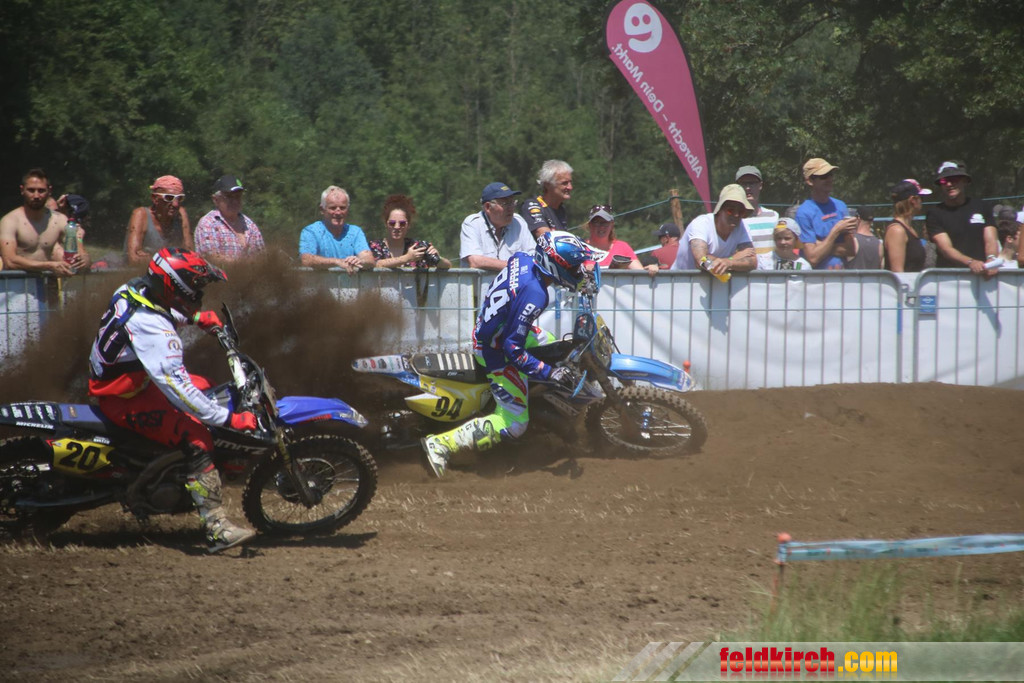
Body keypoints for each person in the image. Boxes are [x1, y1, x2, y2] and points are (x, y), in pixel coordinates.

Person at [87, 247, 258, 552]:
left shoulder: (133, 289)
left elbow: (160, 310)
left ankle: (172, 467)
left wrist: (193, 317)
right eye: (195, 286)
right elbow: (181, 393)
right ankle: (216, 528)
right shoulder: (155, 330)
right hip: (124, 398)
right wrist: (230, 420)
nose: (198, 292)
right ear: (175, 286)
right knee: (199, 437)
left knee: (205, 386)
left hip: (132, 384)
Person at [421, 231, 596, 477]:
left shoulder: (523, 259)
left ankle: (538, 402)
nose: (577, 272)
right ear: (555, 265)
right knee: (515, 423)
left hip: (495, 330)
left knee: (554, 346)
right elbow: (512, 348)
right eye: (573, 267)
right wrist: (548, 373)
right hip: (494, 351)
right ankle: (441, 444)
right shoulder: (536, 294)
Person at [0, 168, 89, 275]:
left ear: (49, 191)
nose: (36, 196)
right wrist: (49, 266)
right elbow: (10, 261)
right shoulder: (10, 221)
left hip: (46, 282)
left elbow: (80, 252)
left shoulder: (60, 220)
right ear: (22, 190)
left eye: (41, 191)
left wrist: (84, 259)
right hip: (18, 283)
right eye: (31, 190)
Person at [925, 161, 999, 275]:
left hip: (984, 276)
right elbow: (946, 249)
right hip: (949, 278)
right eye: (944, 181)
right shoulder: (934, 213)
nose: (949, 184)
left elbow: (991, 240)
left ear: (964, 181)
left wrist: (992, 259)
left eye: (954, 179)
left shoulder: (982, 206)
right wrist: (970, 262)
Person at [672, 184, 758, 277]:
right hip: (680, 282)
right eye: (730, 210)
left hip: (715, 281)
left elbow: (753, 262)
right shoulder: (701, 224)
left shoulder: (742, 226)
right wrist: (732, 259)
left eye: (740, 211)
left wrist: (729, 262)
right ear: (720, 210)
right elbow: (701, 261)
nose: (736, 215)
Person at [795, 158, 857, 269]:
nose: (829, 179)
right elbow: (813, 258)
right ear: (810, 181)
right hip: (817, 278)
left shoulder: (840, 206)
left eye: (831, 175)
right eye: (823, 176)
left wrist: (821, 245)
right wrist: (836, 231)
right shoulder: (804, 213)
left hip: (841, 276)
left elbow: (851, 250)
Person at [459, 182, 536, 270]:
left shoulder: (519, 222)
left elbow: (534, 257)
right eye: (505, 204)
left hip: (513, 279)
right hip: (481, 280)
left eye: (512, 202)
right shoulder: (472, 224)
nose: (511, 208)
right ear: (488, 207)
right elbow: (475, 261)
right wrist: (515, 266)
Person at [298, 185, 375, 274]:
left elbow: (369, 260)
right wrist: (337, 262)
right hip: (319, 282)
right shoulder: (311, 231)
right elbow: (306, 260)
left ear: (348, 209)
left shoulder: (355, 232)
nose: (338, 212)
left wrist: (359, 261)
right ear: (322, 210)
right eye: (333, 208)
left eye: (342, 208)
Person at [125, 175, 194, 266]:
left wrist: (153, 258)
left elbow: (191, 256)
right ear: (155, 198)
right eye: (169, 198)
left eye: (179, 198)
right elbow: (133, 259)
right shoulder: (141, 215)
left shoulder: (180, 215)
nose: (175, 204)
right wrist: (175, 259)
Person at [193, 175, 266, 262]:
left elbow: (262, 256)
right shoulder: (208, 223)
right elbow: (211, 258)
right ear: (215, 200)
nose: (234, 201)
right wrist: (243, 266)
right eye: (229, 196)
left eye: (238, 196)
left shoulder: (250, 225)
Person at [370, 194, 450, 269]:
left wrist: (438, 259)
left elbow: (447, 265)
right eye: (392, 223)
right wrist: (407, 258)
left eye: (402, 223)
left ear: (409, 225)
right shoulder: (374, 246)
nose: (397, 227)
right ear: (386, 224)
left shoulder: (418, 247)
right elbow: (376, 264)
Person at [584, 205, 658, 275]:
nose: (601, 227)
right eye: (596, 223)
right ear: (590, 225)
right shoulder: (580, 247)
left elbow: (639, 273)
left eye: (605, 223)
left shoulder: (622, 247)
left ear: (612, 225)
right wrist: (582, 270)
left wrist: (649, 270)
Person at [733, 166, 780, 270]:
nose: (748, 188)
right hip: (744, 274)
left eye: (752, 183)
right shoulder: (733, 218)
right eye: (744, 184)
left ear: (760, 185)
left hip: (769, 274)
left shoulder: (773, 216)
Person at [883, 180, 931, 273]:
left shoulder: (910, 229)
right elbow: (897, 272)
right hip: (904, 282)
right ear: (913, 200)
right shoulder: (897, 230)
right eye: (921, 198)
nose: (922, 202)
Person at [520, 159, 573, 238]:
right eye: (564, 183)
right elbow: (546, 238)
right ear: (548, 185)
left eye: (570, 182)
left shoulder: (561, 209)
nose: (570, 187)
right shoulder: (533, 205)